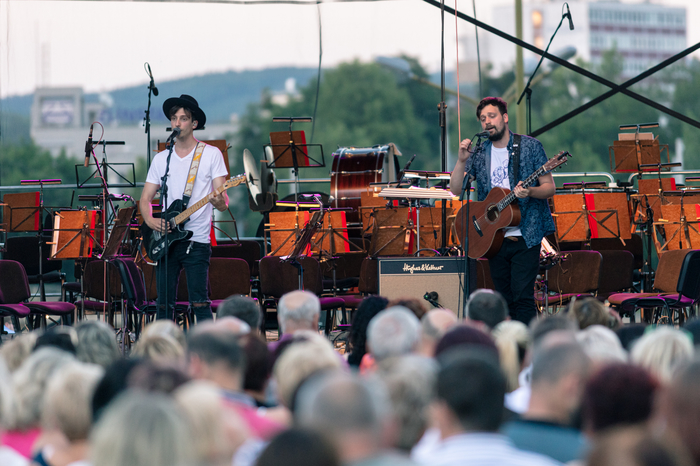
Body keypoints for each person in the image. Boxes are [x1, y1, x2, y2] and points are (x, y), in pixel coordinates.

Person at [450, 97, 556, 325]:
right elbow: (456, 189)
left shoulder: (530, 147)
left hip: (526, 234)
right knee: (503, 300)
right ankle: (506, 340)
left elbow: (549, 187)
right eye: (482, 119)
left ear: (505, 117)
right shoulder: (479, 152)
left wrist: (530, 192)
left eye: (492, 116)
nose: (487, 122)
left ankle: (524, 342)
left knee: (523, 297)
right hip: (493, 238)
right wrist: (461, 161)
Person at [140, 94, 229, 323]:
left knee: (200, 302)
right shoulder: (162, 159)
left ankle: (208, 344)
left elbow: (223, 201)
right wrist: (150, 221)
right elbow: (145, 199)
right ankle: (164, 344)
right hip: (166, 238)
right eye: (174, 118)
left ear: (194, 123)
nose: (177, 123)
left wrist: (218, 201)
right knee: (163, 304)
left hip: (196, 240)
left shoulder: (210, 154)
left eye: (183, 118)